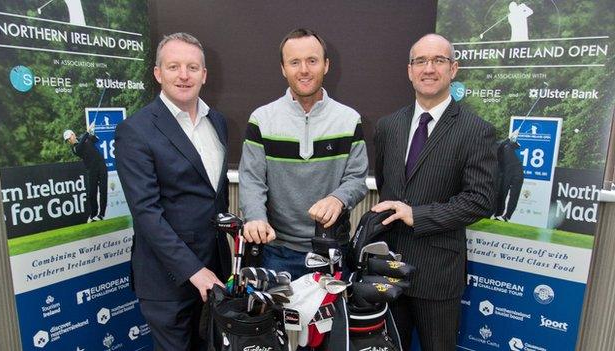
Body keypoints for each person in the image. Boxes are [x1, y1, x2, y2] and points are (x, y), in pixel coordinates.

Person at [371, 33, 498, 350]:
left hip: (438, 276)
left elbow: (480, 200)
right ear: (410, 70)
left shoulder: (475, 130)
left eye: (438, 60)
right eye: (421, 61)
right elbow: (386, 185)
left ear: (453, 69)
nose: (429, 69)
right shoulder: (388, 126)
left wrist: (417, 215)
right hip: (390, 271)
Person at [115, 32, 231, 351]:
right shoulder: (135, 131)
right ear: (158, 73)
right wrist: (194, 271)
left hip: (216, 272)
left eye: (192, 67)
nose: (183, 75)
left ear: (204, 75)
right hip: (168, 282)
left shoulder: (217, 122)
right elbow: (146, 214)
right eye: (174, 66)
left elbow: (210, 197)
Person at [238, 28, 368, 279]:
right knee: (275, 319)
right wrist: (255, 217)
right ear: (283, 68)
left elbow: (356, 179)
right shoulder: (261, 119)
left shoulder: (349, 119)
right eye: (294, 62)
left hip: (331, 249)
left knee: (332, 319)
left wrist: (338, 199)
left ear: (326, 65)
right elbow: (252, 179)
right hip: (277, 252)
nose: (304, 70)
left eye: (312, 60)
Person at [63, 125, 107, 222]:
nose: (69, 141)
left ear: (73, 134)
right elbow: (80, 146)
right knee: (92, 193)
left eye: (69, 138)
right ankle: (93, 214)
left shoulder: (85, 138)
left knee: (103, 190)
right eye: (67, 140)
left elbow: (96, 140)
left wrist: (92, 133)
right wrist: (87, 131)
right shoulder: (75, 148)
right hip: (91, 169)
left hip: (101, 165)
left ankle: (101, 214)